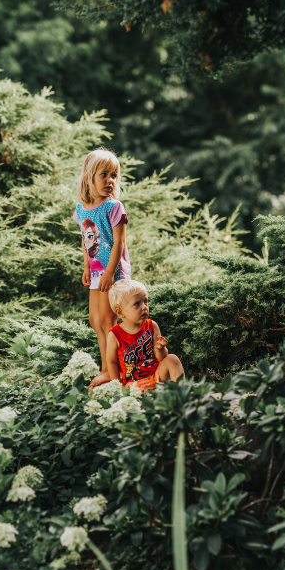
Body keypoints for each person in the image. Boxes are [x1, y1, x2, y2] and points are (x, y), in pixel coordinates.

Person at [74, 148, 131, 386]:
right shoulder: (81, 209)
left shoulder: (114, 207)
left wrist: (109, 273)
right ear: (89, 177)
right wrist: (87, 267)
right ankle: (106, 367)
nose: (110, 180)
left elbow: (119, 242)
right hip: (96, 271)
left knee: (109, 322)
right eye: (104, 174)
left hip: (112, 272)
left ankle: (113, 371)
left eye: (114, 175)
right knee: (95, 320)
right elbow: (87, 240)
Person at [97, 279, 184, 393]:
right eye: (137, 304)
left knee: (172, 359)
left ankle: (183, 395)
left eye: (145, 301)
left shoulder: (151, 326)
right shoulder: (115, 334)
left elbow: (161, 357)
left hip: (157, 376)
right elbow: (112, 362)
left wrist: (161, 349)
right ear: (120, 313)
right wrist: (118, 388)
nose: (144, 307)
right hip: (134, 385)